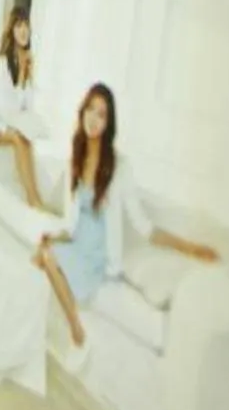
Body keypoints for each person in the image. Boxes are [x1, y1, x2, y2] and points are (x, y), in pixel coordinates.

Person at [35, 84, 216, 358]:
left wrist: (190, 248)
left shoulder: (120, 167)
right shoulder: (76, 158)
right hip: (79, 243)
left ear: (108, 124)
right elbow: (72, 222)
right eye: (90, 110)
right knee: (39, 253)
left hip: (98, 256)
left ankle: (76, 330)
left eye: (102, 114)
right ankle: (45, 337)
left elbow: (145, 228)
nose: (94, 119)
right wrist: (56, 235)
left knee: (47, 259)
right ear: (82, 112)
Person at [0, 5, 46, 210]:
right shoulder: (3, 65)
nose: (24, 30)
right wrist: (20, 76)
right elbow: (4, 108)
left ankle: (35, 196)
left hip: (5, 117)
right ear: (12, 30)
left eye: (26, 25)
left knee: (26, 138)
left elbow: (26, 105)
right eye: (19, 25)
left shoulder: (26, 62)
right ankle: (32, 199)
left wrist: (29, 73)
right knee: (18, 138)